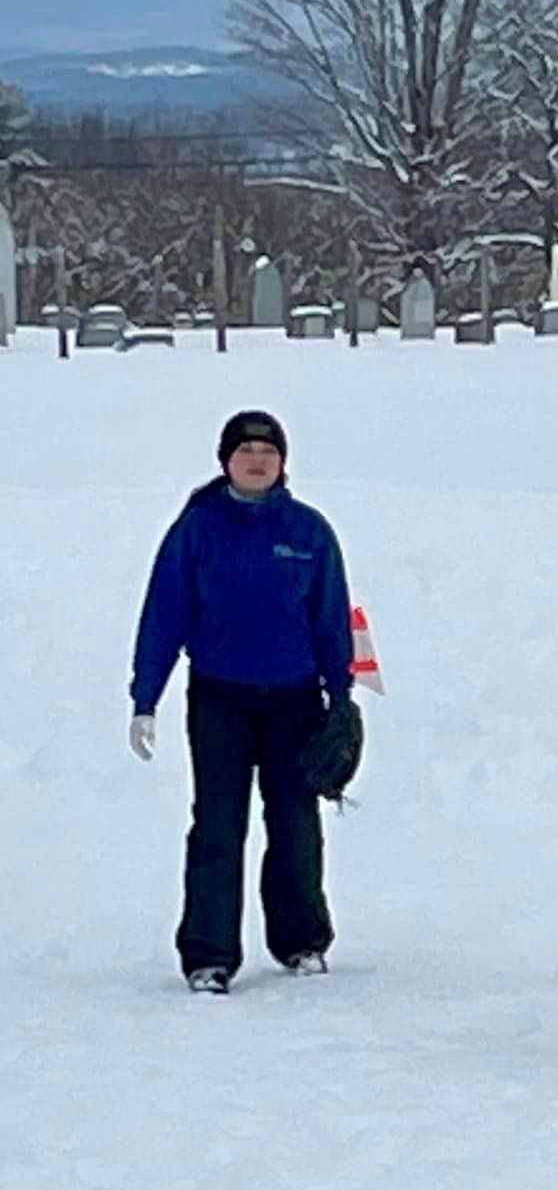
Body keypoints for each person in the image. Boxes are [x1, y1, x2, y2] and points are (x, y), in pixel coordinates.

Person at [128, 410, 357, 994]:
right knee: (217, 825)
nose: (257, 460)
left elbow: (331, 618)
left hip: (295, 702)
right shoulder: (198, 530)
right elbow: (165, 614)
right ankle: (209, 954)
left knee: (295, 822)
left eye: (269, 451)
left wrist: (342, 698)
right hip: (219, 701)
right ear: (226, 460)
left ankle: (301, 940)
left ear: (283, 463)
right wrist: (145, 696)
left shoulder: (309, 533)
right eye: (246, 450)